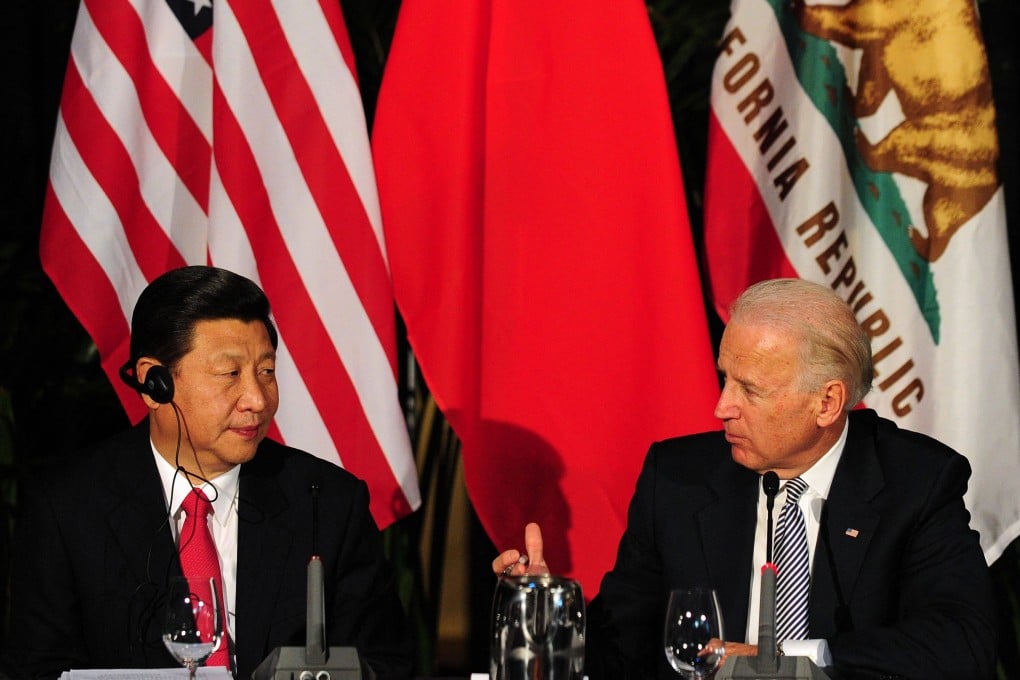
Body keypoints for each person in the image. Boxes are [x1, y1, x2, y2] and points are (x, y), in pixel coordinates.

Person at [494, 278, 996, 679]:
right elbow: (624, 648)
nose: (721, 407)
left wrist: (795, 663)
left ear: (827, 402)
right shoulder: (678, 480)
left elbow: (960, 643)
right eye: (724, 378)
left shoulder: (916, 482)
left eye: (749, 390)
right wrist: (550, 616)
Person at [2, 266, 413, 679]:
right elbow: (36, 669)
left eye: (266, 372)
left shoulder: (327, 502)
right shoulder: (68, 507)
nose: (256, 399)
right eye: (229, 374)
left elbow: (385, 664)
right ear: (154, 383)